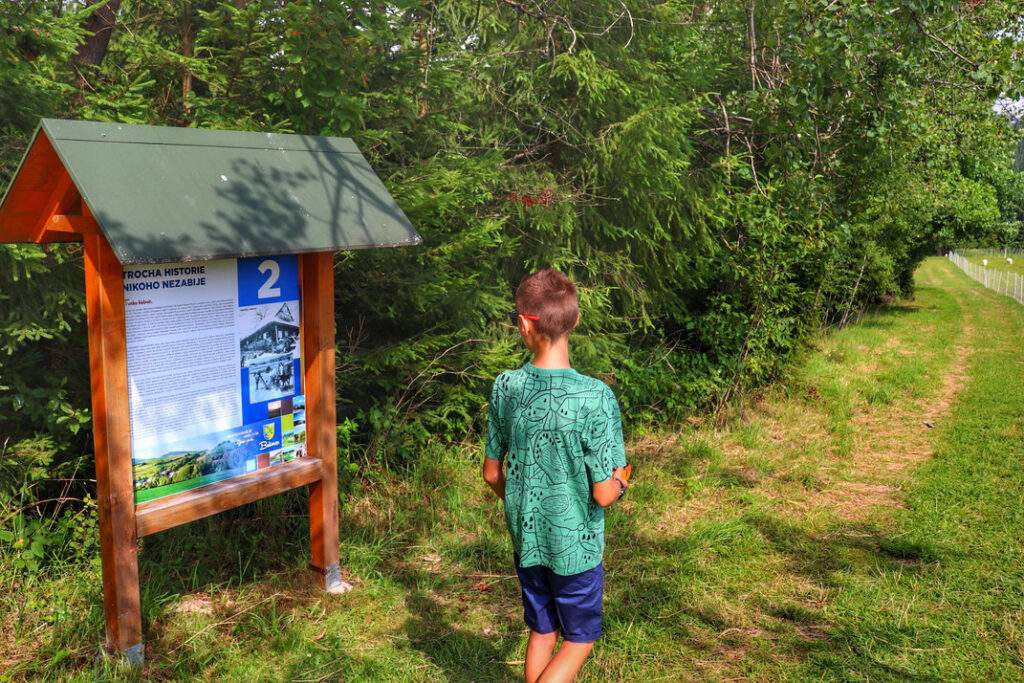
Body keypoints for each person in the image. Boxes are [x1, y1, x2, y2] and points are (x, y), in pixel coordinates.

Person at [483, 269, 630, 683]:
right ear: (576, 320)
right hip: (576, 547)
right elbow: (602, 495)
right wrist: (622, 480)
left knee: (542, 629)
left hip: (526, 538)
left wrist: (521, 504)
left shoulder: (506, 386)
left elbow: (492, 472)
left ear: (525, 324)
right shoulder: (595, 397)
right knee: (580, 638)